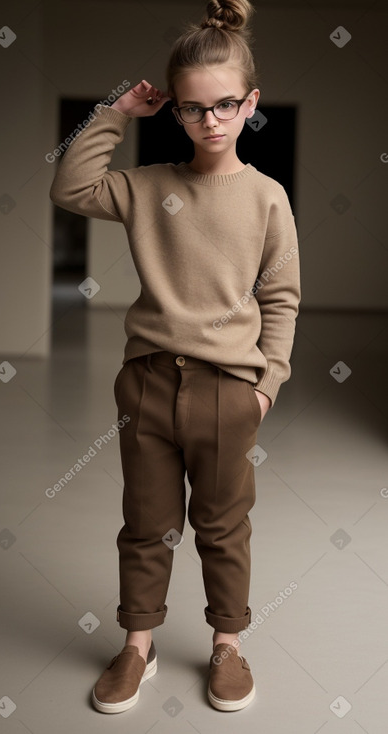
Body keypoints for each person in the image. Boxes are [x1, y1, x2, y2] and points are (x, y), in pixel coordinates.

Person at [50, 0, 300, 714]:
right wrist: (115, 111)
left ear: (250, 103)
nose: (211, 121)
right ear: (175, 112)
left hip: (229, 390)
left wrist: (265, 386)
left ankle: (228, 645)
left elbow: (281, 299)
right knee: (146, 523)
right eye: (192, 109)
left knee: (223, 528)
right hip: (149, 385)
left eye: (226, 105)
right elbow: (69, 187)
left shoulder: (266, 199)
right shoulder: (147, 186)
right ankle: (137, 646)